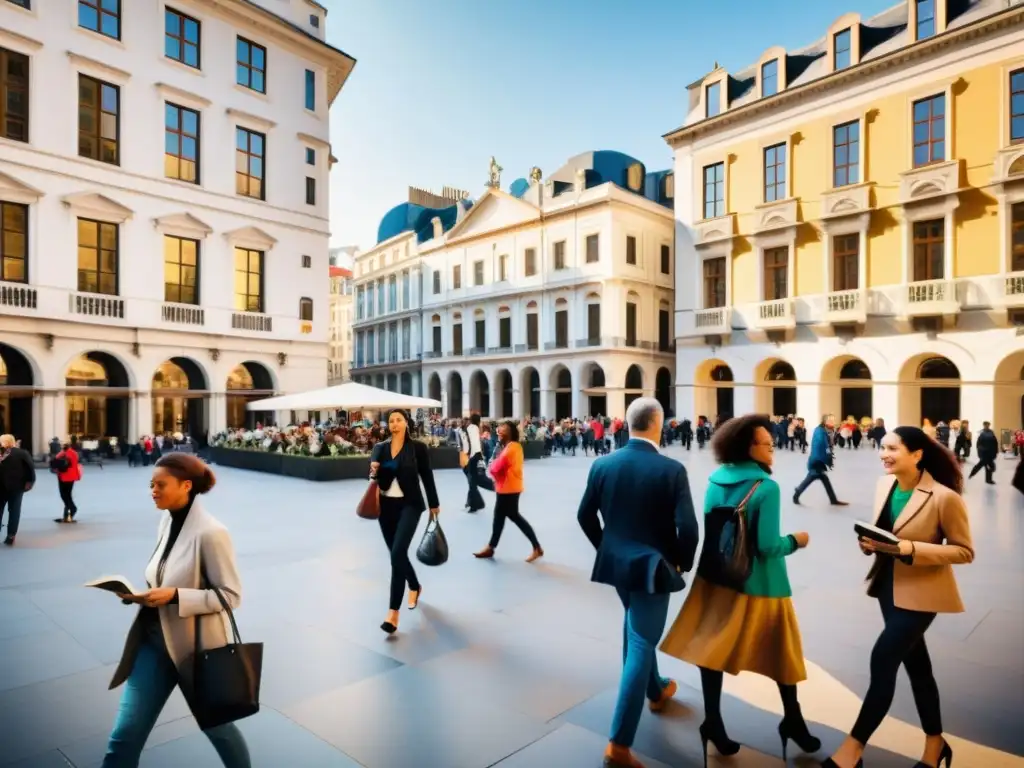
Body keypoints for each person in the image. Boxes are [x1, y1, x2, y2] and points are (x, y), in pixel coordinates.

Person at [659, 414, 820, 765]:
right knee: (783, 652)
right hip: (761, 584)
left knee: (711, 649)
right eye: (767, 443)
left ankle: (713, 721)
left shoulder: (716, 479)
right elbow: (767, 547)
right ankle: (792, 719)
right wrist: (797, 540)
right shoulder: (766, 487)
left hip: (717, 578)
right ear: (749, 447)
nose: (773, 448)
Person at [823, 426, 974, 768]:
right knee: (918, 666)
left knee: (883, 658)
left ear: (917, 454)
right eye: (881, 447)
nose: (883, 453)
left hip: (923, 593)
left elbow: (964, 551)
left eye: (892, 448)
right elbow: (888, 530)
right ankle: (935, 746)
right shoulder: (884, 485)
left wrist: (909, 549)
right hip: (888, 587)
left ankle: (852, 751)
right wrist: (872, 544)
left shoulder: (944, 497)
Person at [102, 453, 251, 767]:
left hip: (197, 652)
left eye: (160, 485)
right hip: (153, 646)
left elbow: (231, 595)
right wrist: (143, 596)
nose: (152, 491)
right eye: (150, 484)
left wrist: (175, 596)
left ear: (186, 486)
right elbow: (165, 572)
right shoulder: (166, 518)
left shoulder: (212, 533)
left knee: (219, 729)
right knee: (125, 734)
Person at [576, 398, 699, 768]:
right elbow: (689, 527)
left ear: (628, 424)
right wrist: (682, 561)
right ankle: (619, 744)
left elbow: (584, 515)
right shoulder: (671, 469)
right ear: (659, 423)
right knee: (643, 640)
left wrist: (607, 547)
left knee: (633, 628)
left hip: (619, 565)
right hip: (652, 567)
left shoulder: (603, 463)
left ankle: (656, 689)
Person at [370, 409, 440, 635]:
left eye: (399, 419)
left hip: (410, 505)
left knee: (397, 553)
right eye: (391, 420)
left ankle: (393, 613)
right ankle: (414, 584)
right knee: (396, 555)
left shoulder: (418, 448)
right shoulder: (379, 448)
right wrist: (373, 473)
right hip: (385, 507)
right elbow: (374, 479)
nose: (394, 423)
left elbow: (427, 476)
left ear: (406, 423)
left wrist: (434, 504)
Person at [474, 420, 543, 562]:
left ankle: (536, 547)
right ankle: (492, 547)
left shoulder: (511, 448)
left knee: (508, 516)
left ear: (510, 432)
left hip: (508, 488)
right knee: (503, 516)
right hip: (508, 486)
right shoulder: (511, 447)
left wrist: (494, 464)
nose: (499, 431)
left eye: (503, 429)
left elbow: (495, 467)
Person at [792, 415, 848, 506]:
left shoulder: (821, 430)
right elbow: (824, 445)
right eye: (830, 421)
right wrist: (829, 455)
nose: (832, 422)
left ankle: (833, 500)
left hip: (817, 459)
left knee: (823, 479)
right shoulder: (821, 432)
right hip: (817, 460)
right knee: (812, 478)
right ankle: (797, 494)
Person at [0, 434, 36, 546]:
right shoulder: (22, 453)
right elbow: (30, 468)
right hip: (17, 487)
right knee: (14, 511)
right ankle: (11, 536)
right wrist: (29, 482)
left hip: (1, 487)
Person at [54, 441, 82, 523]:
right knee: (68, 495)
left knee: (64, 495)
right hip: (72, 476)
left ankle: (72, 508)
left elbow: (56, 459)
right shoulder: (74, 453)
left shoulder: (64, 453)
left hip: (64, 476)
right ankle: (66, 516)